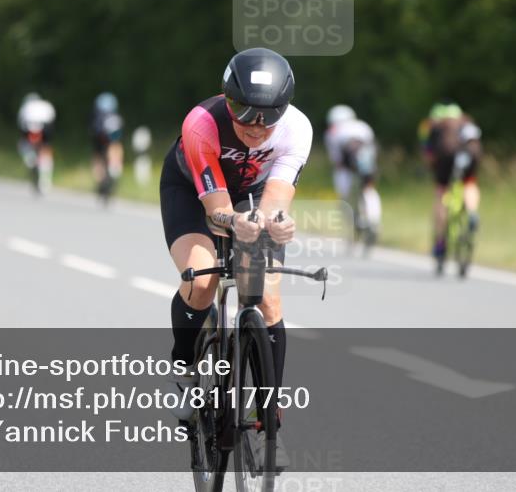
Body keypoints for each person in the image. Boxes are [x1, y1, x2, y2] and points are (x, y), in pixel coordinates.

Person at [160, 48, 311, 442]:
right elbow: (216, 211)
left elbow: (275, 199)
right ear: (228, 100)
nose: (257, 127)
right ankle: (187, 370)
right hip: (194, 193)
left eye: (269, 116)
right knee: (201, 280)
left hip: (252, 193)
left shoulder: (298, 130)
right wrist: (236, 222)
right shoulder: (201, 124)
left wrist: (275, 224)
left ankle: (267, 399)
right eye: (245, 112)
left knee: (267, 297)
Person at [418, 100, 482, 273]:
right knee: (469, 183)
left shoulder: (436, 126)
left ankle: (440, 243)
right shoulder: (467, 121)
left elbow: (429, 156)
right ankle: (472, 212)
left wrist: (431, 168)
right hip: (471, 153)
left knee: (441, 192)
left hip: (446, 155)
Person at [324, 105, 382, 252]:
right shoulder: (363, 126)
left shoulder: (333, 132)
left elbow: (336, 160)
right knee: (368, 189)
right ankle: (373, 220)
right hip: (367, 162)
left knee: (344, 197)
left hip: (347, 166)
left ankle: (355, 221)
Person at [17, 93, 56, 193]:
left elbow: (20, 122)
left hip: (28, 128)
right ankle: (45, 179)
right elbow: (52, 118)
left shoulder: (25, 106)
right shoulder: (46, 105)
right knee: (46, 149)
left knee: (24, 144)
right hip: (45, 128)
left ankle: (30, 159)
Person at [88, 92, 124, 200]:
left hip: (100, 138)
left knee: (97, 156)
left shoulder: (97, 117)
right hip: (112, 138)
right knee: (116, 146)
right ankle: (115, 168)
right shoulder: (116, 117)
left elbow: (93, 131)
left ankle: (101, 178)